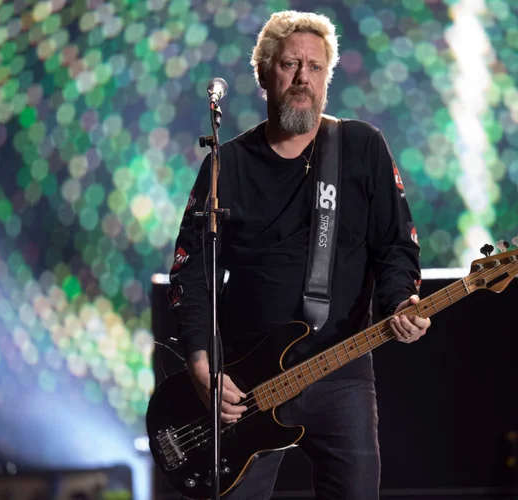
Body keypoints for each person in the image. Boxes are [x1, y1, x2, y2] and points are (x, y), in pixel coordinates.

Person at [167, 10, 430, 500]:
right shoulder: (227, 166)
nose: (302, 79)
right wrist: (202, 364)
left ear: (327, 77)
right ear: (265, 73)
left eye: (315, 67)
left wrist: (401, 301)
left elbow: (394, 245)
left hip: (341, 369)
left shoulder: (361, 148)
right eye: (290, 65)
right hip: (246, 379)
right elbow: (192, 274)